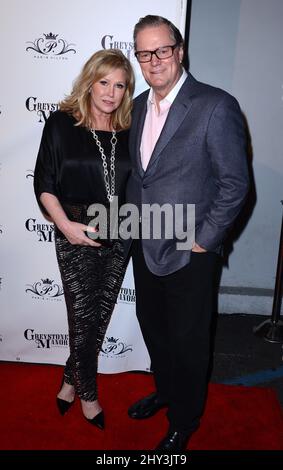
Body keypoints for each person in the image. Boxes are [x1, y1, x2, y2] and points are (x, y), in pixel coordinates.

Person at [126, 15, 249, 450]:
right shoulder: (138, 106)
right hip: (145, 240)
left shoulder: (215, 105)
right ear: (137, 58)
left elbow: (235, 183)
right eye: (144, 52)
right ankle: (166, 389)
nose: (154, 59)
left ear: (179, 51)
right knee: (153, 326)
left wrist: (203, 240)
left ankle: (185, 418)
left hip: (191, 247)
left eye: (162, 49)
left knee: (188, 338)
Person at [34, 49, 135, 430]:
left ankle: (68, 379)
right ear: (90, 81)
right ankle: (88, 394)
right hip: (75, 228)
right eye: (104, 82)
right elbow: (44, 181)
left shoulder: (128, 131)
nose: (110, 92)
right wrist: (65, 227)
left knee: (99, 317)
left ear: (126, 91)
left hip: (120, 232)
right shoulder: (62, 123)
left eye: (120, 85)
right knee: (81, 317)